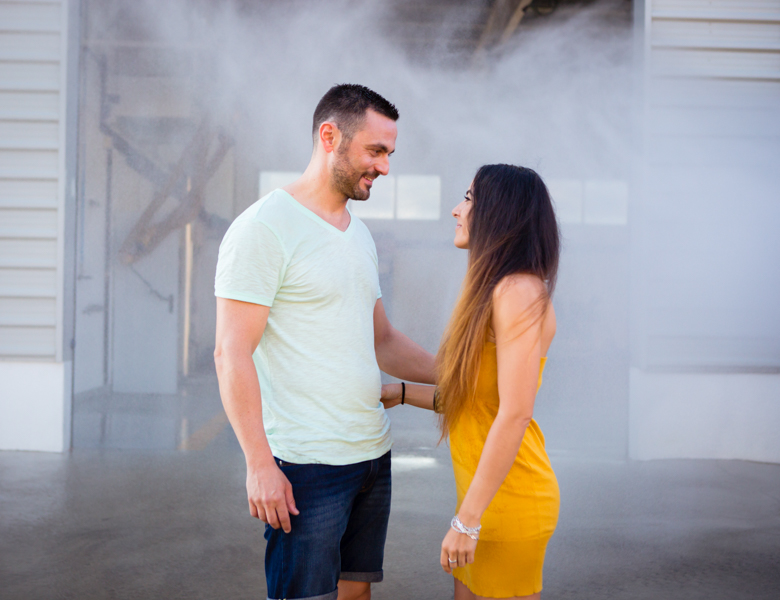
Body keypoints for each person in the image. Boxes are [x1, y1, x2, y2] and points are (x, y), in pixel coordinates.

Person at [213, 84, 435, 600]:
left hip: (371, 455)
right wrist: (259, 464)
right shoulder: (265, 228)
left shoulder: (357, 233)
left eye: (389, 155)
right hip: (306, 467)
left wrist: (461, 373)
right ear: (329, 136)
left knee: (356, 592)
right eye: (375, 151)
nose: (384, 168)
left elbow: (382, 341)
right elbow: (231, 352)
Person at [382, 164, 561, 600]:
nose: (456, 209)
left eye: (469, 198)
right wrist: (399, 393)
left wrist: (466, 521)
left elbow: (515, 413)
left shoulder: (517, 292)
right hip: (489, 503)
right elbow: (474, 396)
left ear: (499, 213)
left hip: (508, 502)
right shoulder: (498, 289)